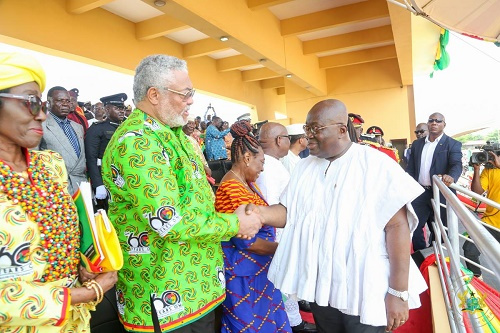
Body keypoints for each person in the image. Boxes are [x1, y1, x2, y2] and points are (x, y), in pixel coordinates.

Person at [101, 54, 262, 333]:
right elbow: (169, 221)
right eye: (185, 93)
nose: (191, 100)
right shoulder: (138, 142)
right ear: (154, 94)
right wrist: (236, 223)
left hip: (198, 287)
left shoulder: (173, 133)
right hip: (166, 296)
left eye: (192, 93)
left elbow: (197, 199)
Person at [249, 99, 427, 333]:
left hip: (364, 287)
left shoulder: (376, 165)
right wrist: (259, 213)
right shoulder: (304, 168)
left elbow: (397, 228)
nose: (308, 136)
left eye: (316, 129)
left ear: (342, 130)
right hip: (322, 286)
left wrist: (398, 292)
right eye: (307, 129)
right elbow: (289, 212)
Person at [0, 52, 117, 332]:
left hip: (73, 322)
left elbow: (66, 231)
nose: (41, 114)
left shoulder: (49, 165)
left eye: (40, 104)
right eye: (30, 103)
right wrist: (89, 293)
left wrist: (82, 262)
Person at [215, 120, 291, 333]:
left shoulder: (246, 184)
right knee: (249, 326)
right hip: (243, 276)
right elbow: (245, 241)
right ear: (247, 158)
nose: (263, 167)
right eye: (261, 162)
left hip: (258, 271)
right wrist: (282, 250)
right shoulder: (231, 188)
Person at [256, 122, 316, 333]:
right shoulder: (270, 168)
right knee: (283, 285)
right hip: (277, 235)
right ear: (279, 140)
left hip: (281, 234)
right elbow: (273, 206)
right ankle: (294, 324)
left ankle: (294, 320)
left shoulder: (273, 164)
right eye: (286, 138)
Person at [406, 113, 462, 251]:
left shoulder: (452, 144)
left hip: (441, 193)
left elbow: (456, 164)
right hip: (420, 192)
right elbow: (411, 168)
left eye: (438, 121)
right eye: (431, 120)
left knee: (441, 229)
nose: (434, 123)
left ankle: (436, 256)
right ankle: (421, 254)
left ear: (444, 124)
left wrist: (451, 176)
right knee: (413, 225)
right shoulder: (418, 144)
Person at [39, 86, 87, 195]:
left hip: (81, 187)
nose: (65, 104)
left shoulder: (77, 127)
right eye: (60, 101)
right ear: (49, 103)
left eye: (68, 101)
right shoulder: (41, 126)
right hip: (56, 188)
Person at [85, 93, 127, 210]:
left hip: (123, 179)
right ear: (107, 109)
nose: (122, 111)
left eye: (123, 108)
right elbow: (91, 158)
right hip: (105, 177)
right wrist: (98, 184)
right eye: (117, 108)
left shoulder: (125, 127)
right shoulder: (97, 128)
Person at [463, 153, 500, 278]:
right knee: (469, 250)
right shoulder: (489, 170)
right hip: (490, 222)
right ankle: (478, 281)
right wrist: (477, 169)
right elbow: (477, 192)